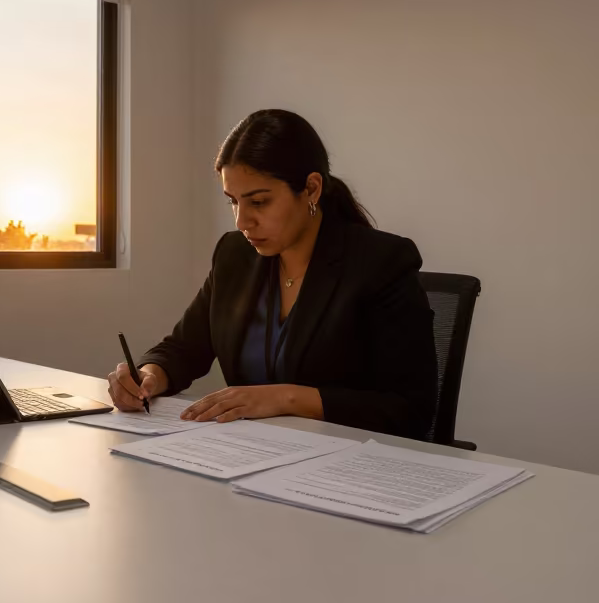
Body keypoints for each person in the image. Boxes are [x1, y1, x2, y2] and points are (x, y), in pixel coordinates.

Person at [107, 109, 438, 441]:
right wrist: (148, 375)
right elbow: (184, 348)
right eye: (233, 202)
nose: (242, 221)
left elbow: (411, 409)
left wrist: (285, 398)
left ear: (311, 189)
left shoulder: (381, 262)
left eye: (259, 202)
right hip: (256, 455)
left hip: (353, 466)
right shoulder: (235, 255)